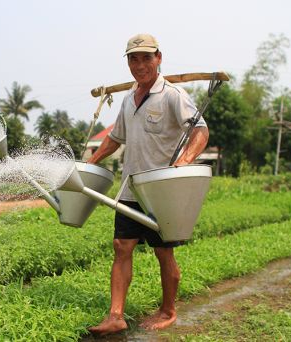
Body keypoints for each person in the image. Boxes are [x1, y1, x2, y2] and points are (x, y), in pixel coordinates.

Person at [87, 33, 209, 335]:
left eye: (145, 57)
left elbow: (200, 131)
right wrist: (89, 163)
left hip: (160, 191)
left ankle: (168, 310)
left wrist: (183, 163)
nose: (139, 64)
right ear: (128, 62)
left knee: (163, 252)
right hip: (131, 188)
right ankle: (115, 315)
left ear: (158, 58)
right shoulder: (129, 98)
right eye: (133, 58)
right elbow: (116, 138)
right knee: (121, 246)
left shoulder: (172, 95)